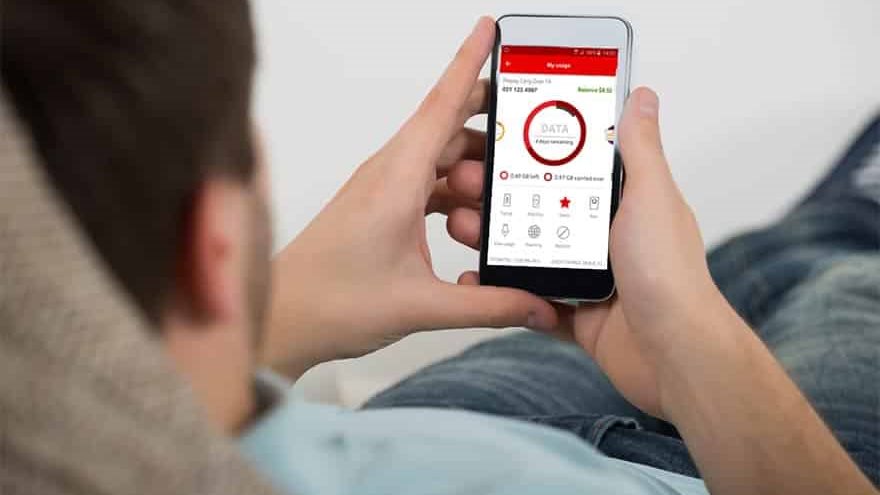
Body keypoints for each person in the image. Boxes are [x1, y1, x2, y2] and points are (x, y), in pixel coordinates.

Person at [2, 2, 876, 494]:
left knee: (724, 271)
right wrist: (699, 347)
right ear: (213, 246)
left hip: (420, 423)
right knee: (841, 273)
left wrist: (278, 315)